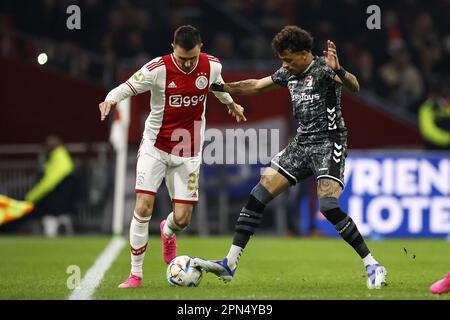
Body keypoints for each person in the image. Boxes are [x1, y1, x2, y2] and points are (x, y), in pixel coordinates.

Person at [193, 25, 387, 289]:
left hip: (329, 143)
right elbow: (256, 86)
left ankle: (372, 264)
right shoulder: (288, 72)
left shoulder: (323, 69)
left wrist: (339, 69)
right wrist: (218, 86)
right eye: (281, 59)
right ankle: (229, 263)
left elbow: (354, 85)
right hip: (301, 144)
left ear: (304, 53)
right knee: (258, 195)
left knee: (328, 207)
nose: (284, 64)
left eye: (288, 59)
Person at [99, 25, 246, 288]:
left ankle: (167, 232)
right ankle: (135, 274)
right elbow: (128, 87)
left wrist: (231, 104)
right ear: (173, 49)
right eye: (181, 58)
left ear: (200, 47)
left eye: (191, 58)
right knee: (143, 207)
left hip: (188, 152)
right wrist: (110, 99)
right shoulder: (157, 69)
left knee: (182, 219)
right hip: (155, 148)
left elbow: (217, 87)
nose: (187, 63)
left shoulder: (212, 66)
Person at [22, 135, 75, 236]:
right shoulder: (60, 158)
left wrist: (29, 198)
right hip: (61, 202)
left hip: (57, 204)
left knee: (27, 209)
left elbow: (47, 185)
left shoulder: (59, 160)